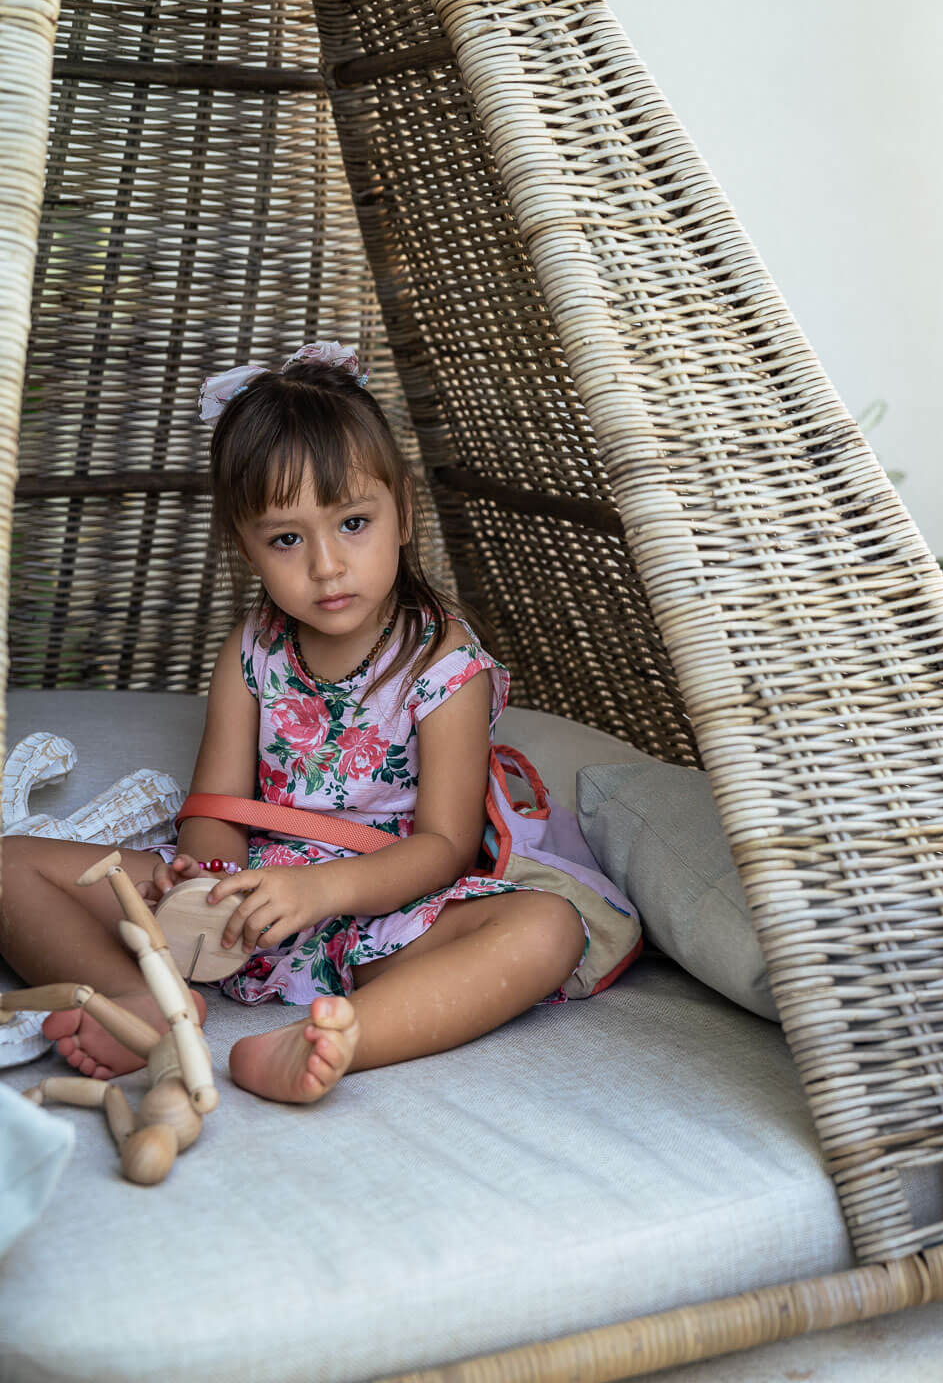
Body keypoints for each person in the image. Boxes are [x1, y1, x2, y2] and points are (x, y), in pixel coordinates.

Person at [0, 341, 591, 1105]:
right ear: (246, 547)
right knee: (11, 864)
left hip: (381, 910)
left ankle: (338, 1037)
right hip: (250, 904)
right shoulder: (253, 649)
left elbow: (444, 848)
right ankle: (137, 1000)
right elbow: (216, 805)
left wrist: (319, 892)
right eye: (286, 538)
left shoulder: (444, 663)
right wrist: (209, 883)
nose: (326, 565)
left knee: (547, 929)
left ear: (404, 514)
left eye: (353, 522)